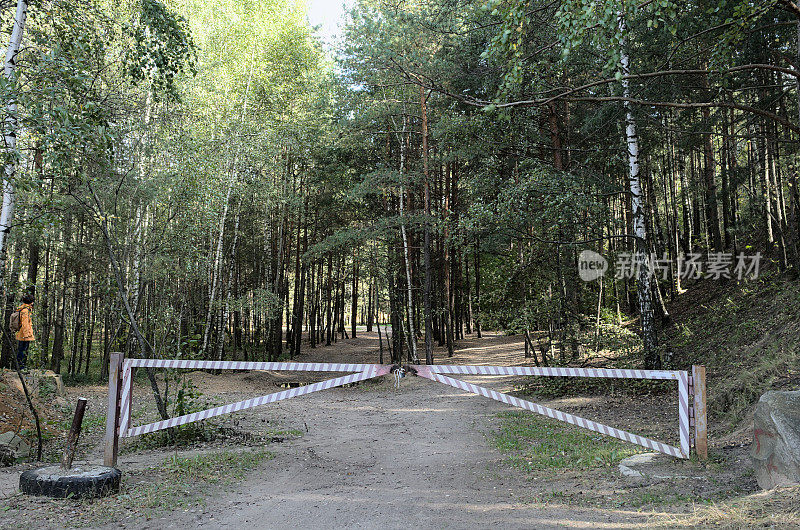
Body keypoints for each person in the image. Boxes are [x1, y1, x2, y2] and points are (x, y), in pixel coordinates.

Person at [15, 293, 35, 370]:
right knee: (22, 351)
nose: (33, 303)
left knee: (22, 350)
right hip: (24, 335)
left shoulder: (24, 309)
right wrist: (26, 335)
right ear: (30, 302)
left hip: (22, 334)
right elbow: (25, 324)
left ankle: (21, 366)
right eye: (32, 301)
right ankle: (21, 367)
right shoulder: (25, 311)